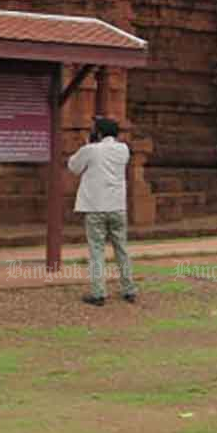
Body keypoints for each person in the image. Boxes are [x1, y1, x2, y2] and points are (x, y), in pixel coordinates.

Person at [68, 116, 136, 306]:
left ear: (98, 132)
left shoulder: (90, 150)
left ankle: (98, 293)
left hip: (96, 207)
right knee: (122, 249)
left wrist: (87, 144)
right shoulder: (124, 150)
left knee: (96, 250)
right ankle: (129, 289)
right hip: (117, 206)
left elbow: (73, 166)